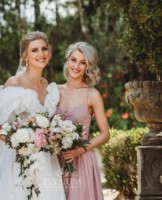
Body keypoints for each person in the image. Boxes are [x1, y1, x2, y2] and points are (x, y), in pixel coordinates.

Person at [0, 31, 65, 200]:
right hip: (19, 158)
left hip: (47, 159)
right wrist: (18, 142)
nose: (41, 54)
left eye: (44, 49)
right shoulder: (15, 82)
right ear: (25, 56)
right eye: (34, 50)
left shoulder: (46, 84)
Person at [56, 42, 110, 200]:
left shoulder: (92, 95)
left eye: (83, 62)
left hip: (81, 161)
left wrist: (79, 150)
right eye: (73, 60)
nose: (76, 66)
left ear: (88, 67)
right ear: (68, 61)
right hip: (55, 160)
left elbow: (105, 134)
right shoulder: (55, 91)